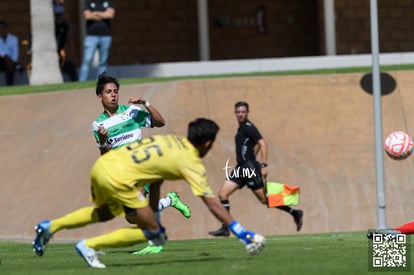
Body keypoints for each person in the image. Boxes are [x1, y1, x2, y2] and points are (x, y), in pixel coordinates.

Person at [33, 118, 266, 268]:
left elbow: (156, 181)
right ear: (206, 143)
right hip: (119, 177)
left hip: (102, 166)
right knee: (155, 234)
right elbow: (212, 203)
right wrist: (242, 233)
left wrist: (153, 212)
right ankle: (89, 246)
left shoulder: (172, 141)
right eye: (212, 143)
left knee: (105, 213)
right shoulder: (190, 162)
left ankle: (49, 226)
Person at [92, 72, 191, 254]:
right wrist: (104, 141)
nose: (113, 95)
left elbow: (160, 122)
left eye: (115, 91)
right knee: (132, 217)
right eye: (108, 92)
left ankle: (155, 243)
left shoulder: (131, 112)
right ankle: (170, 200)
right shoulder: (98, 125)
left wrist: (145, 103)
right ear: (100, 96)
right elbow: (105, 155)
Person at [209, 101, 304, 237]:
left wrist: (262, 165)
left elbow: (263, 143)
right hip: (241, 167)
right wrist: (252, 155)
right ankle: (225, 228)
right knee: (222, 194)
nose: (241, 114)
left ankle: (295, 212)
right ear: (235, 113)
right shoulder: (241, 128)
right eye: (238, 112)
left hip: (249, 168)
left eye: (243, 112)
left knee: (264, 200)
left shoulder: (249, 127)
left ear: (247, 113)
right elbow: (256, 145)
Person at [78, 0, 115, 82]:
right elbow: (87, 16)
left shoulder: (108, 1)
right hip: (91, 36)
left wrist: (95, 13)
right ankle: (82, 81)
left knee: (103, 61)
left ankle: (101, 81)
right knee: (87, 60)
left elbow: (110, 15)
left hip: (106, 36)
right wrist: (103, 14)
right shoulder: (88, 1)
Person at [53, 0, 78, 81]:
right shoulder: (50, 25)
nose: (59, 17)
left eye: (60, 15)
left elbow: (69, 40)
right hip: (51, 54)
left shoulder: (65, 25)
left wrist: (69, 56)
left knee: (70, 65)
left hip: (61, 53)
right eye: (57, 15)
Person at [0, 20, 20, 86]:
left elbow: (15, 54)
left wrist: (11, 61)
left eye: (3, 28)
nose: (1, 30)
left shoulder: (13, 39)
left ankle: (10, 86)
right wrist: (6, 57)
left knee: (11, 66)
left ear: (6, 28)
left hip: (11, 62)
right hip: (1, 60)